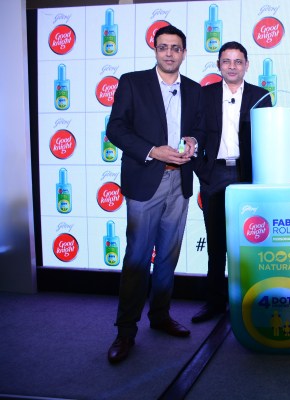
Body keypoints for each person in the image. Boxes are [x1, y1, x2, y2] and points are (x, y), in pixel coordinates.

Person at [105, 25, 203, 364]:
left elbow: (199, 129)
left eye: (176, 48)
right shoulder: (132, 83)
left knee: (168, 257)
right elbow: (115, 128)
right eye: (163, 47)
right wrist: (152, 151)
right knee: (137, 257)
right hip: (146, 181)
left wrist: (193, 141)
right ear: (156, 50)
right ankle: (125, 331)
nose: (169, 53)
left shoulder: (194, 89)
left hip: (180, 182)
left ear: (184, 52)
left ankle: (160, 316)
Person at [191, 41, 272, 323]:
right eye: (226, 61)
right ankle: (214, 303)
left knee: (250, 242)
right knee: (216, 245)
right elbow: (195, 133)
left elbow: (267, 138)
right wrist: (201, 169)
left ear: (247, 65)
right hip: (214, 174)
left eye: (238, 61)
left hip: (247, 175)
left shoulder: (261, 96)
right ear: (218, 65)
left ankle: (250, 301)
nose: (232, 66)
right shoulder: (205, 94)